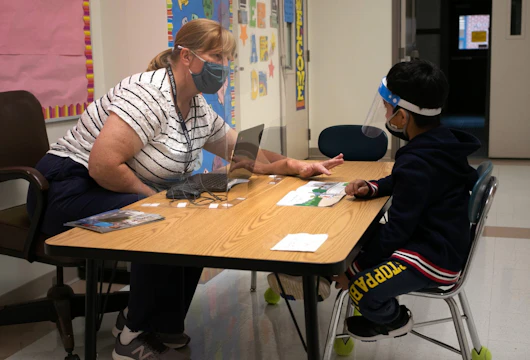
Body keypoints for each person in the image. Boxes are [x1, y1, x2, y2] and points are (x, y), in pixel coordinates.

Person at [26, 19, 343, 360]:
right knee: (161, 218)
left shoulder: (196, 105)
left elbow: (241, 151)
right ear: (187, 56)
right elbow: (103, 165)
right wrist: (154, 200)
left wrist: (290, 165)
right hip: (64, 189)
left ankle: (161, 324)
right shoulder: (147, 94)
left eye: (228, 58)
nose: (224, 66)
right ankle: (132, 336)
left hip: (106, 186)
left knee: (194, 215)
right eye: (217, 56)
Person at [267, 59, 480, 341]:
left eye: (387, 108)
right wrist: (373, 186)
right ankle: (320, 275)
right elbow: (407, 182)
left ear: (402, 117)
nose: (385, 113)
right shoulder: (438, 144)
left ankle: (394, 319)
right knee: (355, 235)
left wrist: (355, 271)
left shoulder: (419, 160)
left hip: (433, 257)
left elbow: (397, 230)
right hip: (435, 239)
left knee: (362, 289)